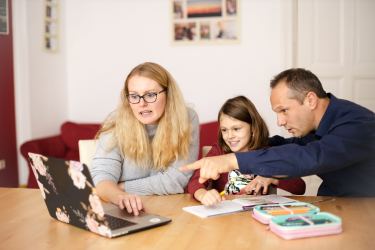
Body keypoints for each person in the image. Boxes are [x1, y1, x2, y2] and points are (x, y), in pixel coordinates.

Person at [182, 68, 375, 197]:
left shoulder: (358, 124)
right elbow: (293, 145)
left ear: (310, 100)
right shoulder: (317, 127)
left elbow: (311, 156)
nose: (280, 121)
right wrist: (254, 145)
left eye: (284, 110)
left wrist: (233, 160)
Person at [90, 62, 199, 215]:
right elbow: (102, 180)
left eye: (150, 95)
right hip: (124, 211)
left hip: (170, 211)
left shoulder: (187, 118)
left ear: (168, 94)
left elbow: (177, 180)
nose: (142, 103)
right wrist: (119, 195)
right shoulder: (115, 121)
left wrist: (121, 187)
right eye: (134, 96)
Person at [187, 96, 306, 206]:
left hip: (257, 216)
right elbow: (194, 182)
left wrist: (272, 176)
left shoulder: (267, 153)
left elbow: (300, 187)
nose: (230, 136)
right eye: (224, 130)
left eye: (236, 129)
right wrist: (203, 195)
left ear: (253, 128)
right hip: (225, 218)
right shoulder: (219, 151)